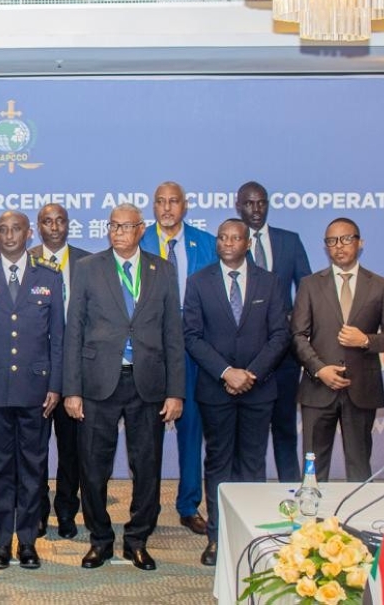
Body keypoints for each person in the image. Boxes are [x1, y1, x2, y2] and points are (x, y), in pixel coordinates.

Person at [63, 203, 184, 571]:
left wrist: (175, 391)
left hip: (147, 382)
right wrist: (71, 389)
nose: (117, 232)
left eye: (125, 226)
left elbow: (173, 333)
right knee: (93, 468)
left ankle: (137, 540)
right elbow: (74, 330)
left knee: (146, 467)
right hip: (98, 382)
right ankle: (100, 539)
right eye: (113, 226)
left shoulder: (162, 270)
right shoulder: (88, 268)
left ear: (141, 229)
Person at [183, 219, 290, 567]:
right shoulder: (198, 282)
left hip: (259, 389)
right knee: (218, 462)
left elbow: (280, 335)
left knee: (252, 464)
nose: (228, 243)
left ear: (247, 244)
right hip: (216, 389)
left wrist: (251, 374)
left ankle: (251, 536)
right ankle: (217, 537)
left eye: (235, 238)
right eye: (222, 238)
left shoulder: (269, 282)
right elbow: (192, 336)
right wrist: (227, 372)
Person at [0, 211, 64, 570]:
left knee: (33, 469)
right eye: (3, 230)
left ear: (28, 233)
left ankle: (28, 542)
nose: (9, 235)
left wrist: (56, 384)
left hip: (36, 389)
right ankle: (1, 543)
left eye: (16, 229)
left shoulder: (49, 276)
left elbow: (58, 338)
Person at [293, 218, 384, 481]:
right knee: (313, 467)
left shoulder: (379, 285)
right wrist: (319, 369)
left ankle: (356, 509)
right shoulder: (310, 284)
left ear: (360, 243)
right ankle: (313, 509)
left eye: (345, 239)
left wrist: (366, 341)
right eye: (332, 241)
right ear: (326, 247)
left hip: (361, 388)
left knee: (359, 465)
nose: (339, 246)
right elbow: (297, 335)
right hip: (318, 388)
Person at [140, 181, 217, 536]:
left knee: (191, 429)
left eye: (173, 201)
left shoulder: (206, 243)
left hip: (193, 348)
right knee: (146, 435)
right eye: (161, 202)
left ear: (185, 206)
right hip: (150, 349)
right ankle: (146, 506)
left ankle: (188, 505)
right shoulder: (138, 240)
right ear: (153, 207)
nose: (167, 208)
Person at [235, 181, 311, 482]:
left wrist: (294, 319)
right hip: (245, 357)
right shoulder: (231, 242)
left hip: (283, 355)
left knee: (285, 429)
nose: (256, 209)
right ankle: (247, 496)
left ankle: (292, 492)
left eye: (261, 202)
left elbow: (307, 288)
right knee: (247, 436)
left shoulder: (289, 241)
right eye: (249, 203)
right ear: (238, 206)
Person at [28, 202, 91, 540]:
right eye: (47, 221)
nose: (54, 227)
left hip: (75, 370)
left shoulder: (89, 263)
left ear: (68, 225)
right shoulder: (25, 260)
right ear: (38, 226)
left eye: (60, 221)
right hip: (35, 369)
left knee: (71, 450)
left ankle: (66, 510)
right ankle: (37, 511)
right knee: (35, 449)